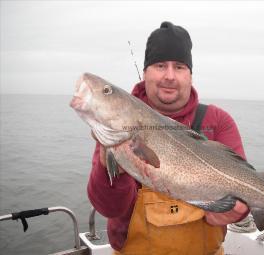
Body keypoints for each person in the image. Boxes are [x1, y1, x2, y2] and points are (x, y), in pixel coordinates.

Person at [88, 21, 249, 255]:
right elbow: (109, 208)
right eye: (160, 65)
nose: (170, 76)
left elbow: (242, 187)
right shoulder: (118, 122)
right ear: (145, 73)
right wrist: (109, 164)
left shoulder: (217, 121)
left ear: (190, 75)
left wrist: (239, 210)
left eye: (180, 66)